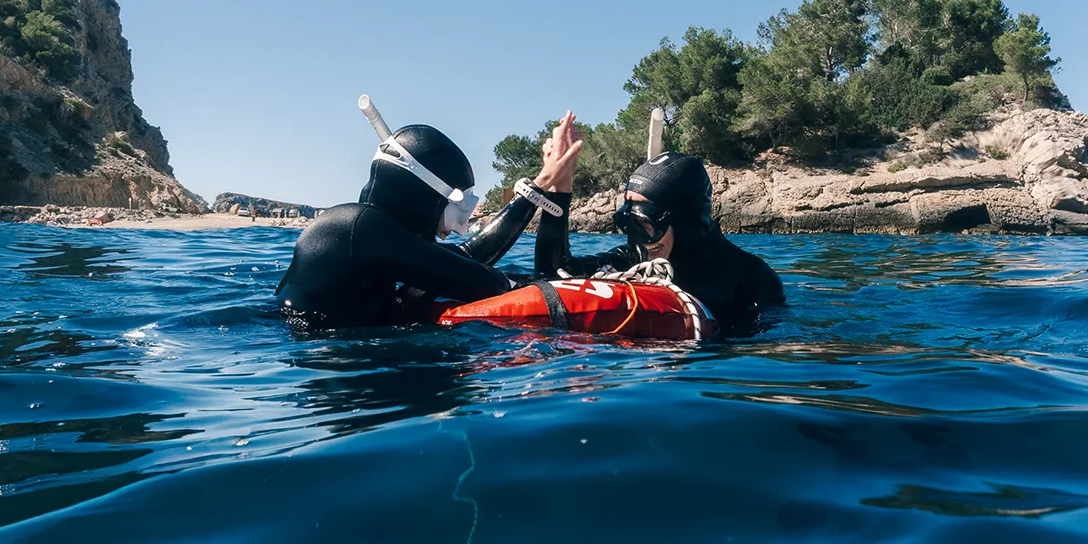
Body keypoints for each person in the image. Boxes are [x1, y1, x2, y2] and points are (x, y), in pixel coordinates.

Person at [275, 114, 583, 326]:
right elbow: (478, 281)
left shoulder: (373, 234)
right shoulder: (357, 227)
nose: (457, 224)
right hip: (312, 355)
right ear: (421, 195)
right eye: (457, 207)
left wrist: (543, 188)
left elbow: (463, 260)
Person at [533, 114, 784, 328]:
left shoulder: (752, 280)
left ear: (686, 222)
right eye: (626, 223)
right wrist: (560, 188)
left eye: (645, 224)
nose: (635, 238)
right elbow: (552, 274)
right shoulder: (637, 260)